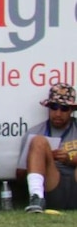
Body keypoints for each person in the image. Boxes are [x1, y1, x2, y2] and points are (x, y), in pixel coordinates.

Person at [17, 82, 76, 214]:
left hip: (74, 182)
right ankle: (37, 199)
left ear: (71, 110)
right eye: (54, 107)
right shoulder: (35, 131)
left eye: (64, 108)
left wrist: (69, 159)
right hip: (52, 184)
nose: (58, 113)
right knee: (38, 141)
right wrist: (42, 159)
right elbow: (19, 175)